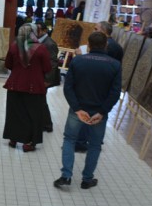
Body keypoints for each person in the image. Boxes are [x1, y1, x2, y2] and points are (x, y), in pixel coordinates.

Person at [54, 32, 121, 190]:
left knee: (69, 140)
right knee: (95, 145)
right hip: (99, 113)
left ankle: (66, 176)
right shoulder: (115, 65)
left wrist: (77, 109)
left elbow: (68, 87)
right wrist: (102, 112)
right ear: (106, 45)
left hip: (78, 110)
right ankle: (87, 179)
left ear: (89, 45)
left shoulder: (78, 61)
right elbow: (115, 92)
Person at [74, 21, 123, 152]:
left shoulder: (109, 47)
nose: (93, 30)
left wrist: (81, 57)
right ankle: (94, 140)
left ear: (103, 31)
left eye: (96, 29)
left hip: (95, 86)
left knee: (90, 114)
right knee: (99, 115)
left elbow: (101, 65)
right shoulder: (117, 46)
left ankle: (84, 142)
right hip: (105, 88)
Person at [3, 23, 51, 152]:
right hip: (34, 87)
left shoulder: (14, 47)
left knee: (14, 113)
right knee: (34, 115)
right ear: (34, 33)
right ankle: (29, 143)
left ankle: (13, 139)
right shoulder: (41, 49)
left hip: (15, 85)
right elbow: (47, 68)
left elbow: (8, 64)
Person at [36, 22, 60, 133]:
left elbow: (53, 63)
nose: (36, 32)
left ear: (45, 31)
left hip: (44, 78)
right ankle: (44, 123)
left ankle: (47, 124)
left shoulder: (49, 44)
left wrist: (47, 80)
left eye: (38, 30)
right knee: (40, 100)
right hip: (39, 76)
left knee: (41, 101)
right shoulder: (39, 41)